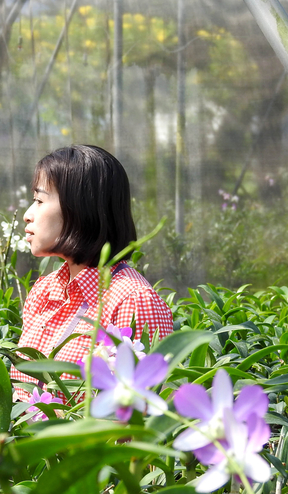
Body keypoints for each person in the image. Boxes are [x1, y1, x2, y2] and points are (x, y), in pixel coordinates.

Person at [10, 145, 173, 402]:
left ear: (80, 208)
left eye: (39, 201)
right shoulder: (43, 292)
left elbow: (146, 412)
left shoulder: (132, 301)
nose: (28, 215)